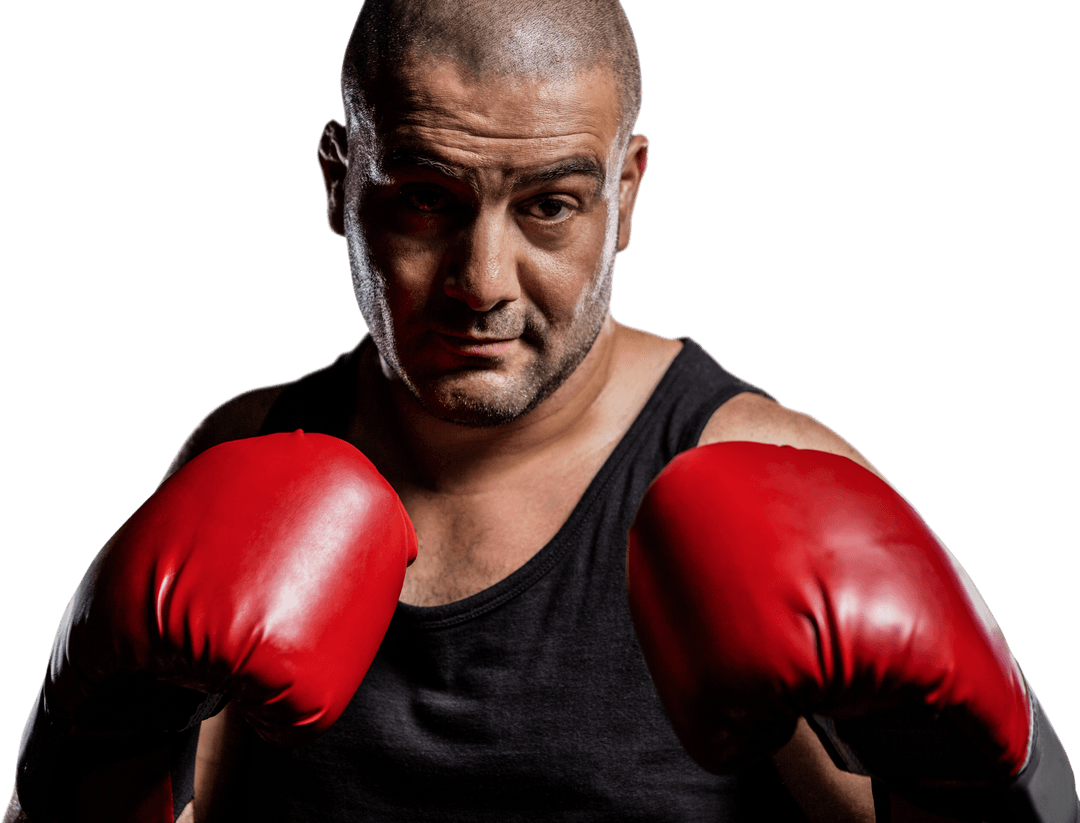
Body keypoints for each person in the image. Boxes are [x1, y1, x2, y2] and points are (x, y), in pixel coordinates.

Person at [5, 1, 1076, 821]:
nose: (483, 281)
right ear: (339, 183)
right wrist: (91, 761)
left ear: (626, 198)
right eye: (426, 198)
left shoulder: (765, 471)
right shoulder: (252, 449)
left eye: (550, 206)